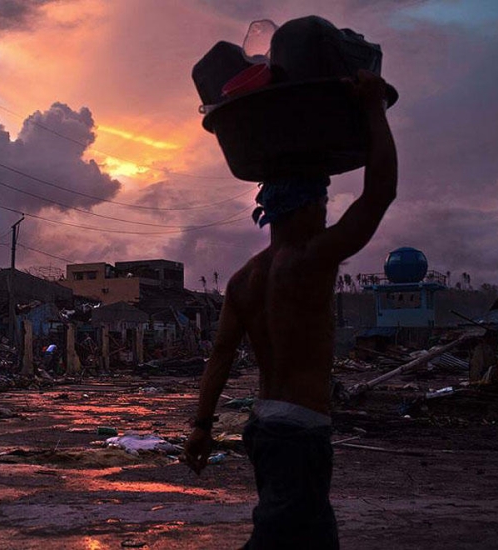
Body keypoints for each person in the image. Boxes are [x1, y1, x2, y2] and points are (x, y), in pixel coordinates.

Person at [183, 70, 397, 549]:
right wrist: (374, 107)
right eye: (323, 201)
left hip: (264, 426)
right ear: (307, 205)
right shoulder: (312, 258)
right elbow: (380, 193)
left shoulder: (243, 279)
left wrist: (201, 427)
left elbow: (219, 359)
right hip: (299, 431)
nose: (326, 211)